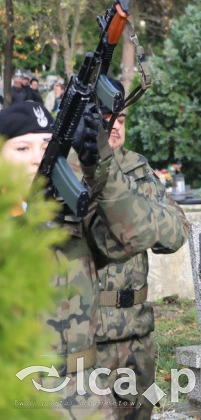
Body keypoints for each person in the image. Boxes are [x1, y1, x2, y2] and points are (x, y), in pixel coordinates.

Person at [1, 101, 169, 417]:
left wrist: (99, 167)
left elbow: (137, 236)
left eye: (46, 146)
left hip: (87, 396)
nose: (37, 157)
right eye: (22, 148)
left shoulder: (72, 215)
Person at [93, 81, 190, 420]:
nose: (115, 125)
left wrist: (141, 225)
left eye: (120, 118)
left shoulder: (138, 167)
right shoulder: (70, 171)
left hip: (136, 329)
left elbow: (175, 233)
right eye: (107, 118)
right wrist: (145, 219)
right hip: (89, 334)